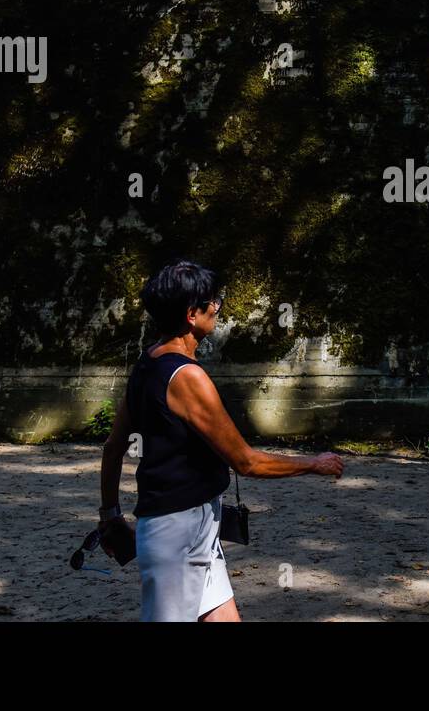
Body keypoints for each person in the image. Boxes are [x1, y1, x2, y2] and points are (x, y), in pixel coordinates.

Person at [97, 259, 345, 621]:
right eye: (212, 302)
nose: (218, 308)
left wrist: (110, 514)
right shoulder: (187, 378)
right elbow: (245, 461)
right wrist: (312, 464)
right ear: (191, 315)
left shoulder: (148, 362)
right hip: (175, 533)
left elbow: (113, 446)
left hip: (200, 526)